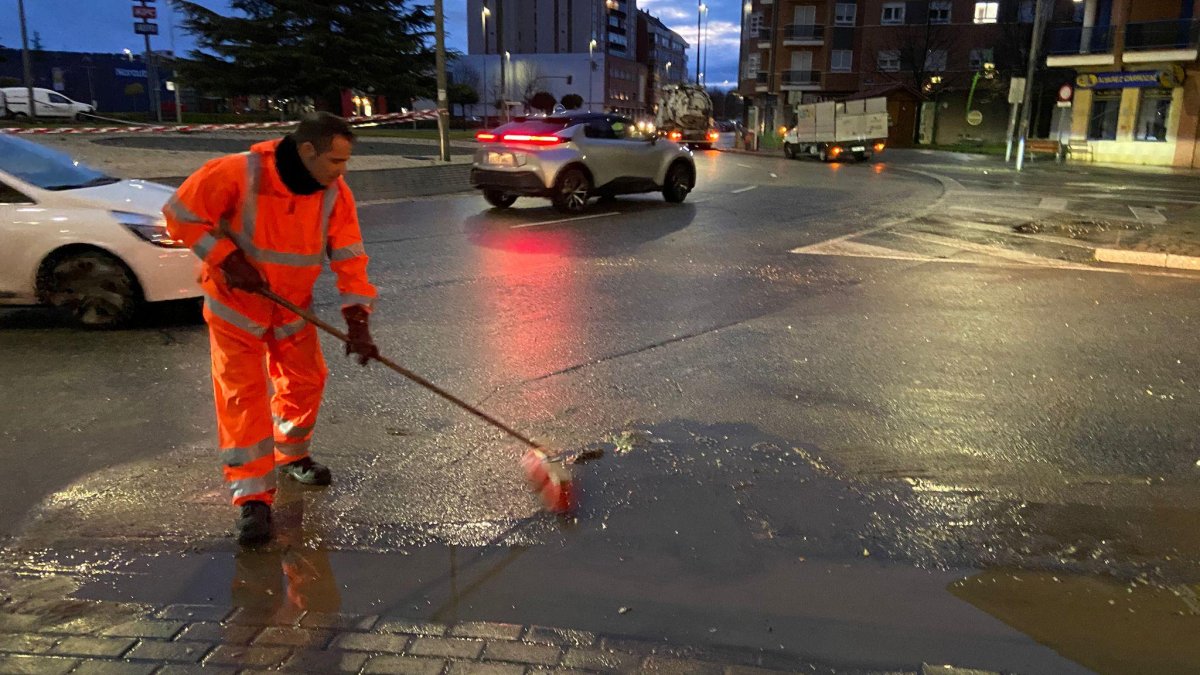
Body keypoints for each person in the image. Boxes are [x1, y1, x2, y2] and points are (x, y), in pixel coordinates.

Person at [162, 112, 379, 546]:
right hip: (236, 306)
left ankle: (292, 453)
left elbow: (350, 255)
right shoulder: (236, 172)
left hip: (291, 307)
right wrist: (227, 258)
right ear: (307, 151)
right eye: (336, 161)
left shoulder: (334, 193)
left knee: (306, 380)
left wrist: (358, 320)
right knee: (243, 395)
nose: (342, 171)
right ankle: (252, 499)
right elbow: (180, 214)